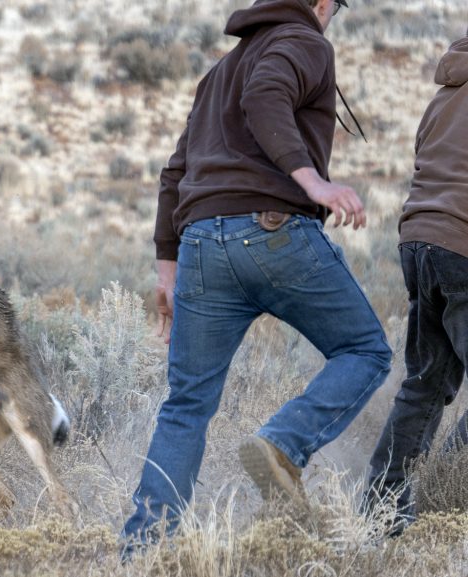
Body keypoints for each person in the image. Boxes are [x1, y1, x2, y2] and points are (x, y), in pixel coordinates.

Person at [120, 0, 392, 554]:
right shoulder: (305, 41)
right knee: (365, 350)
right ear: (321, 3)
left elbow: (176, 170)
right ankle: (283, 443)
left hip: (200, 245)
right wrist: (314, 184)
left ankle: (142, 549)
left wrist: (166, 270)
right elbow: (266, 95)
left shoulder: (219, 70)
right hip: (273, 232)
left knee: (186, 405)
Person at [362, 35, 468, 537]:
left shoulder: (442, 96)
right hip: (462, 246)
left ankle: (381, 510)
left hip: (419, 245)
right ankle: (451, 489)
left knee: (424, 385)